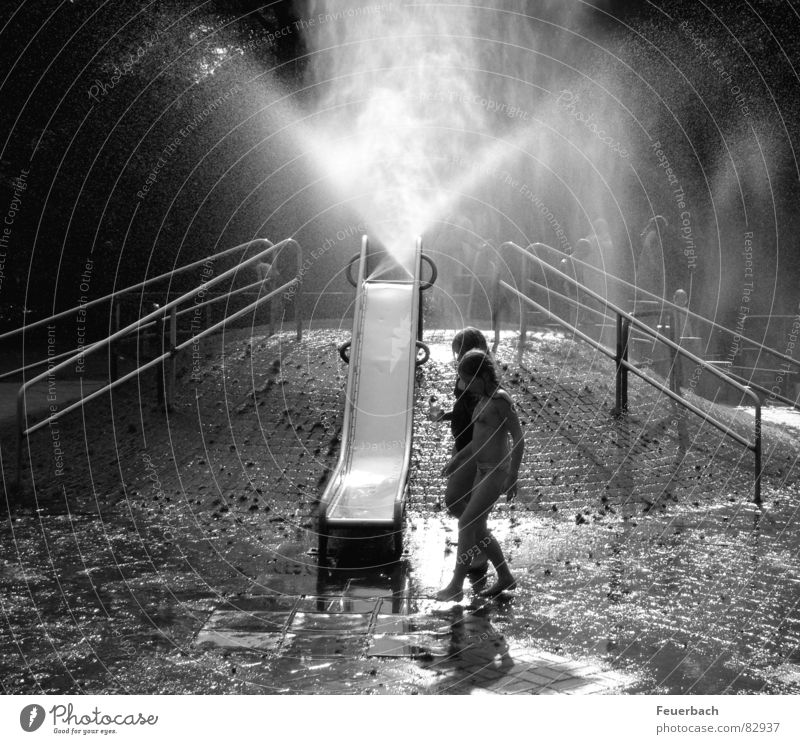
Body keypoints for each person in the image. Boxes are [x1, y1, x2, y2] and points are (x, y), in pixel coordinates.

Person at [435, 349, 524, 601]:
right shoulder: (483, 400)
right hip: (482, 470)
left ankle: (455, 585)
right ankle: (505, 576)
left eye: (470, 380)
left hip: (496, 472)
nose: (466, 386)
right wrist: (457, 459)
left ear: (484, 375)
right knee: (479, 529)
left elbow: (518, 437)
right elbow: (478, 443)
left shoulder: (500, 400)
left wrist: (513, 475)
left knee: (466, 523)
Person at [430, 328, 491, 581]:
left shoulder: (481, 381)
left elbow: (483, 420)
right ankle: (477, 549)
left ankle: (481, 546)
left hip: (473, 448)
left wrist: (459, 456)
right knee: (468, 503)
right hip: (463, 442)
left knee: (457, 500)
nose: (456, 358)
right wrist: (445, 415)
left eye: (459, 352)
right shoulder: (469, 372)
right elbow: (466, 412)